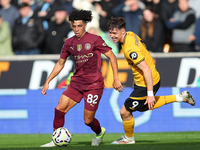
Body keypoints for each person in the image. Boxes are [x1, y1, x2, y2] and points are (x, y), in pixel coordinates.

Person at [40, 9, 124, 147]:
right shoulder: (69, 43)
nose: (76, 29)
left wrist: (116, 78)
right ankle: (56, 140)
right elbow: (60, 63)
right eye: (74, 26)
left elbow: (112, 57)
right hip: (76, 83)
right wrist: (48, 81)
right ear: (71, 26)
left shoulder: (95, 39)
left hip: (94, 84)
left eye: (79, 26)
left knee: (88, 120)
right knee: (59, 109)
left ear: (85, 25)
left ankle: (99, 132)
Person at [107, 17, 196, 144]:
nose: (112, 36)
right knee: (143, 107)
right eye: (110, 32)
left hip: (147, 82)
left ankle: (128, 139)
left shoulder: (130, 49)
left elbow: (146, 70)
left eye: (114, 33)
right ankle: (180, 97)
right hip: (149, 79)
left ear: (123, 31)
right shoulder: (131, 34)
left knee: (125, 112)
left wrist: (149, 94)